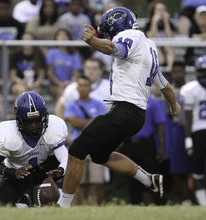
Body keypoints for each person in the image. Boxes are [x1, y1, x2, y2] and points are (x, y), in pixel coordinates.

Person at [57, 6, 181, 208]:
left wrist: (92, 41)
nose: (110, 37)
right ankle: (149, 180)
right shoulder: (149, 47)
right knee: (100, 155)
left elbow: (116, 49)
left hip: (125, 110)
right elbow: (165, 86)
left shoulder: (129, 36)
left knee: (76, 151)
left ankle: (62, 206)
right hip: (135, 116)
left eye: (109, 32)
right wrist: (174, 106)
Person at [0, 91, 68, 207]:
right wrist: (13, 172)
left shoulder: (53, 129)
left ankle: (66, 201)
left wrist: (60, 170)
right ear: (19, 120)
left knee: (73, 162)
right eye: (29, 122)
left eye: (37, 120)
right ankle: (24, 204)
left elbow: (66, 157)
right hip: (18, 173)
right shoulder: (9, 136)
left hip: (44, 170)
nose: (34, 126)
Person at [64, 75, 106, 205]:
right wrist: (92, 122)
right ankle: (80, 210)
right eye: (80, 85)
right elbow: (73, 121)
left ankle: (97, 210)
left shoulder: (99, 104)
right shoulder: (71, 104)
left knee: (97, 183)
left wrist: (81, 122)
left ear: (90, 88)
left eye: (85, 86)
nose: (83, 88)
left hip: (95, 147)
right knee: (79, 183)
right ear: (77, 88)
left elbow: (101, 124)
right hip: (78, 147)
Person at [119, 94, 166, 206]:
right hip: (129, 142)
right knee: (132, 173)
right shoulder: (124, 102)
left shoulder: (152, 102)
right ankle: (135, 203)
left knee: (152, 172)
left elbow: (160, 125)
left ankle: (159, 203)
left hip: (146, 143)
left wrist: (161, 147)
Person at [164, 61, 193, 206]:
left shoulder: (192, 89)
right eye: (175, 72)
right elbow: (168, 116)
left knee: (197, 164)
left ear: (185, 73)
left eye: (180, 71)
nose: (178, 75)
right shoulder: (170, 90)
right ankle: (186, 199)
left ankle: (199, 196)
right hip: (177, 129)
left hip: (194, 129)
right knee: (180, 168)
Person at [180, 55, 206, 206]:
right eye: (203, 71)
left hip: (199, 132)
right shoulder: (191, 89)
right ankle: (203, 204)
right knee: (197, 169)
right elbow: (188, 118)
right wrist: (188, 140)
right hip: (198, 132)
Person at [46, 28, 82, 100]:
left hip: (70, 85)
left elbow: (75, 74)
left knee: (69, 91)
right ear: (56, 38)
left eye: (65, 35)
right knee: (62, 91)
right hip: (54, 85)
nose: (63, 37)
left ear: (69, 38)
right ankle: (59, 111)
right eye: (60, 35)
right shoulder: (51, 52)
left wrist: (70, 85)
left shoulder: (74, 54)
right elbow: (50, 73)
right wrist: (60, 84)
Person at [10, 32, 46, 97]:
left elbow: (41, 75)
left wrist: (35, 84)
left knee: (33, 92)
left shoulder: (39, 55)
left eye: (29, 39)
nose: (27, 41)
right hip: (19, 83)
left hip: (35, 84)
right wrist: (21, 82)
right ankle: (18, 107)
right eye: (25, 39)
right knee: (21, 90)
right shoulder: (16, 55)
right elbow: (13, 76)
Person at [144, 0, 176, 68]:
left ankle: (170, 70)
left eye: (163, 10)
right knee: (156, 50)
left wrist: (166, 22)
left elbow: (170, 37)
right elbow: (151, 37)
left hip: (166, 48)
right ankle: (160, 69)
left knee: (168, 49)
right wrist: (154, 22)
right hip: (154, 48)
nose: (161, 12)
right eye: (158, 10)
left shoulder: (170, 24)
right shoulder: (148, 24)